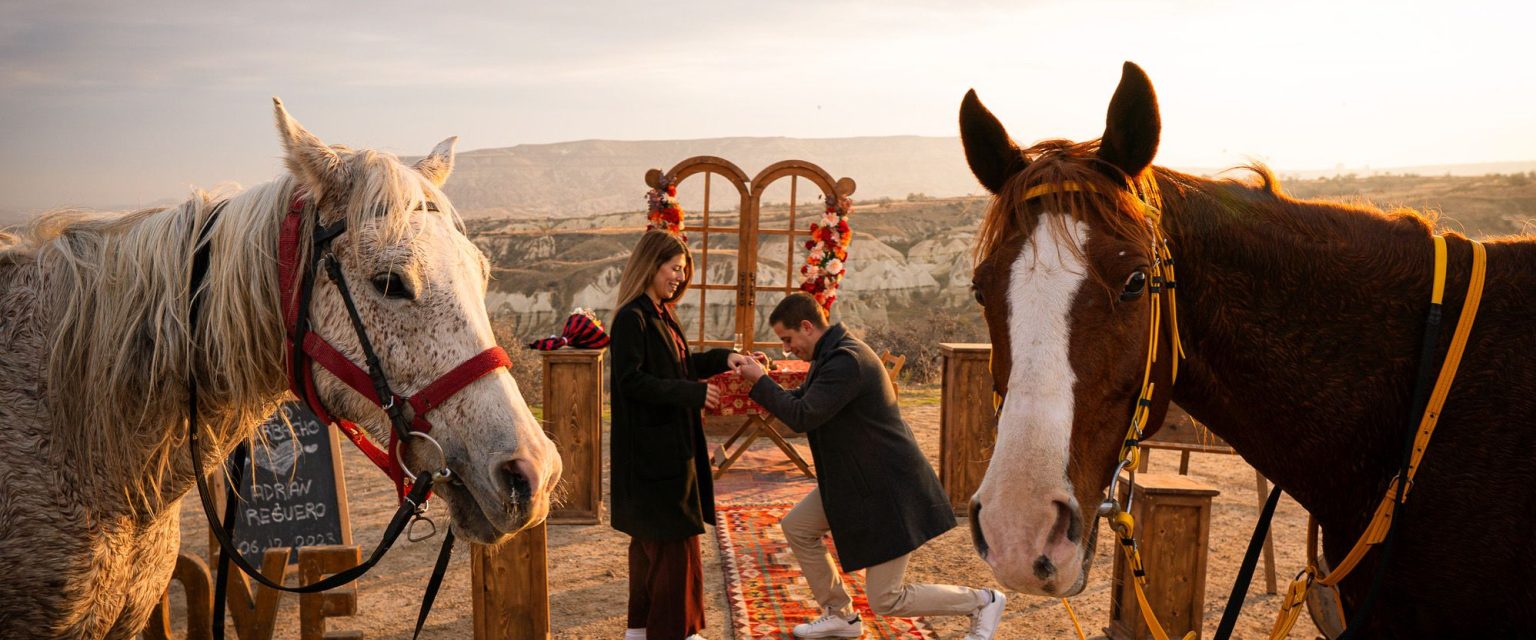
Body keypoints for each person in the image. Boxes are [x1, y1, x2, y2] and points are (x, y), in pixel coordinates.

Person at [733, 292, 1006, 639]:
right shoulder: (832, 354)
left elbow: (803, 416)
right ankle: (840, 615)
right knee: (798, 527)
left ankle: (981, 601)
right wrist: (766, 374)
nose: (787, 349)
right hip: (857, 483)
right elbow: (804, 398)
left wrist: (759, 382)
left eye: (788, 340)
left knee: (887, 599)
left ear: (806, 326)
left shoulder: (847, 360)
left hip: (889, 489)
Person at [608, 230, 755, 640]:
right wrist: (692, 393)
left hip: (670, 447)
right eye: (675, 268)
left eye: (684, 270)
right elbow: (631, 381)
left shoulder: (660, 312)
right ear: (651, 265)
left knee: (653, 547)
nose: (680, 276)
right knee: (674, 545)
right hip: (653, 453)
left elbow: (681, 363)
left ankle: (640, 631)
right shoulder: (631, 318)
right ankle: (680, 633)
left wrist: (725, 357)